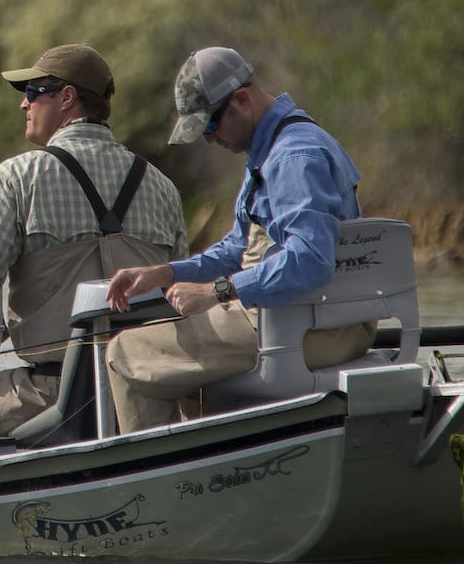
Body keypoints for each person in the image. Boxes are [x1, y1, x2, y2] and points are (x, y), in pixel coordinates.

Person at [0, 45, 186, 438]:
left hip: (56, 393)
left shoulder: (18, 177)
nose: (24, 105)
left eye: (33, 92)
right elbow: (180, 296)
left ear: (67, 97)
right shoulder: (164, 188)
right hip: (150, 391)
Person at [101, 47, 374, 432]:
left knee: (127, 353)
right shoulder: (272, 148)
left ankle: (155, 481)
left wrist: (216, 292)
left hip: (316, 328)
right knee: (169, 355)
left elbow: (311, 258)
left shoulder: (292, 157)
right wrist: (165, 273)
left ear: (241, 101)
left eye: (209, 127)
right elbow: (238, 248)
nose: (209, 141)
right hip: (305, 319)